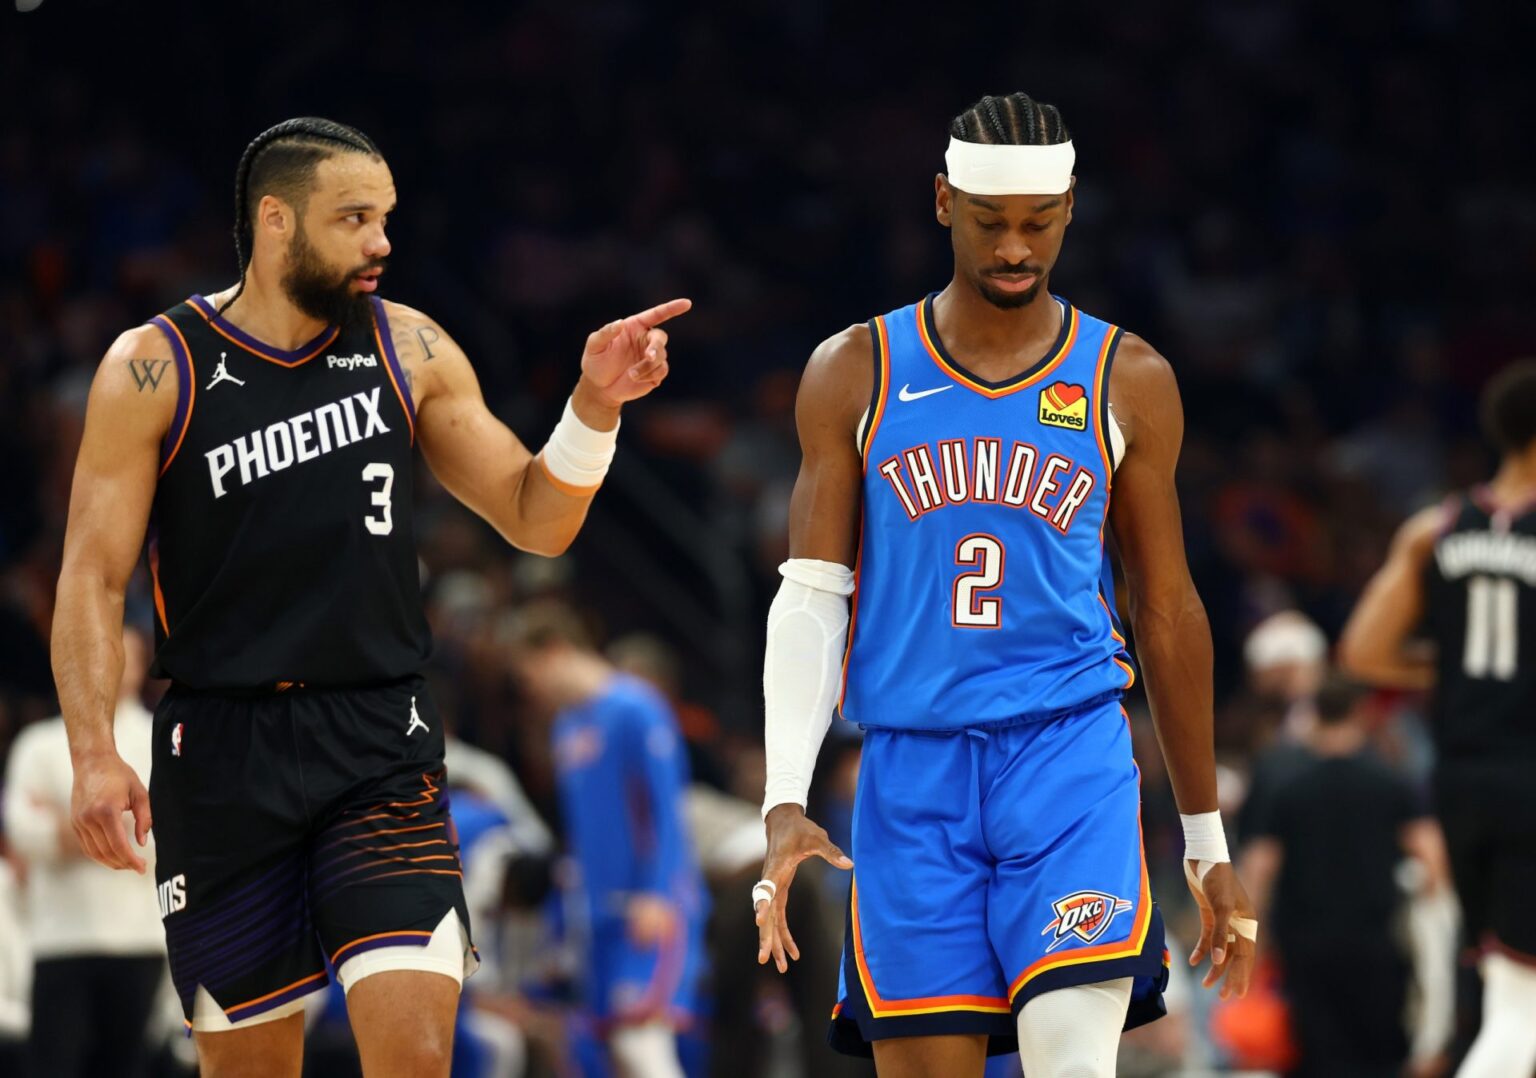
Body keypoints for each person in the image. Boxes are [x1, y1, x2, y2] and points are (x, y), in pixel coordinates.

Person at [50, 116, 688, 1078]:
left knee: (416, 1046)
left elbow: (534, 516)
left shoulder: (410, 345)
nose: (382, 242)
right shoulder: (153, 366)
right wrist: (95, 753)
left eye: (385, 218)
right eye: (354, 218)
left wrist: (593, 410)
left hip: (377, 742)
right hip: (223, 756)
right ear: (276, 222)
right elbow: (92, 578)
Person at [755, 92, 1257, 1078]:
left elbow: (1167, 606)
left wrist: (1205, 836)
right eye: (992, 222)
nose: (1018, 246)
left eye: (1040, 221)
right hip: (909, 772)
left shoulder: (1127, 374)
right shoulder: (855, 369)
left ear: (1071, 207)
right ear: (943, 203)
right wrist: (783, 794)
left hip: (1067, 760)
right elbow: (813, 592)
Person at [1340, 359, 1536, 1078]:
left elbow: (1363, 651)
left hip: (1459, 782)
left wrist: (1448, 670)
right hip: (1528, 776)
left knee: (1503, 984)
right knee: (1520, 1007)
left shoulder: (1439, 527)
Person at [505, 602, 707, 1078]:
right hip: (596, 916)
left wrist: (657, 894)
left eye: (528, 674)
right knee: (612, 1053)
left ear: (553, 651)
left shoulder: (637, 707)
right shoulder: (564, 726)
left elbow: (666, 808)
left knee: (642, 1042)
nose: (529, 690)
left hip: (649, 906)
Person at [1241, 674, 1451, 1078]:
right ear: (1363, 714)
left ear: (1315, 715)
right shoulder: (1391, 783)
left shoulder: (1288, 787)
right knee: (1380, 1055)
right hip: (1374, 940)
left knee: (1317, 1056)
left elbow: (1259, 867)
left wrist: (1256, 939)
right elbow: (1432, 859)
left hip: (1305, 943)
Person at [4, 626, 166, 1078]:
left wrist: (65, 821)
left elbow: (167, 835)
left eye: (124, 656)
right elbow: (20, 831)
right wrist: (120, 821)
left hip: (139, 939)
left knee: (126, 1067)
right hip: (58, 938)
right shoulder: (37, 743)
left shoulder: (160, 738)